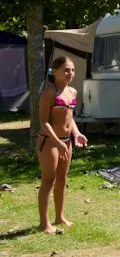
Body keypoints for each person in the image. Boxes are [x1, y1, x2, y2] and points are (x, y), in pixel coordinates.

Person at [37, 56, 88, 234]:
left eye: (72, 70)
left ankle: (59, 217)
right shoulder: (49, 93)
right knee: (48, 181)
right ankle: (44, 224)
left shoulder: (72, 92)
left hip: (66, 142)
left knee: (62, 180)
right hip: (49, 142)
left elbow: (69, 118)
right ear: (55, 71)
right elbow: (44, 122)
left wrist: (77, 133)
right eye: (66, 70)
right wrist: (57, 142)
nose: (70, 73)